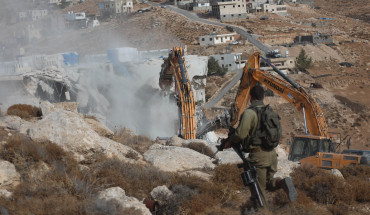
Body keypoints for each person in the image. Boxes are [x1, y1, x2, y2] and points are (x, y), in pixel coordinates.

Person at [224, 85, 297, 210]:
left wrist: (229, 141)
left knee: (259, 192)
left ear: (250, 97)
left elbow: (241, 134)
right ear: (263, 97)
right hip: (272, 155)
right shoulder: (270, 112)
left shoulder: (249, 113)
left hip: (258, 157)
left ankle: (263, 212)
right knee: (269, 184)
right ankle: (282, 182)